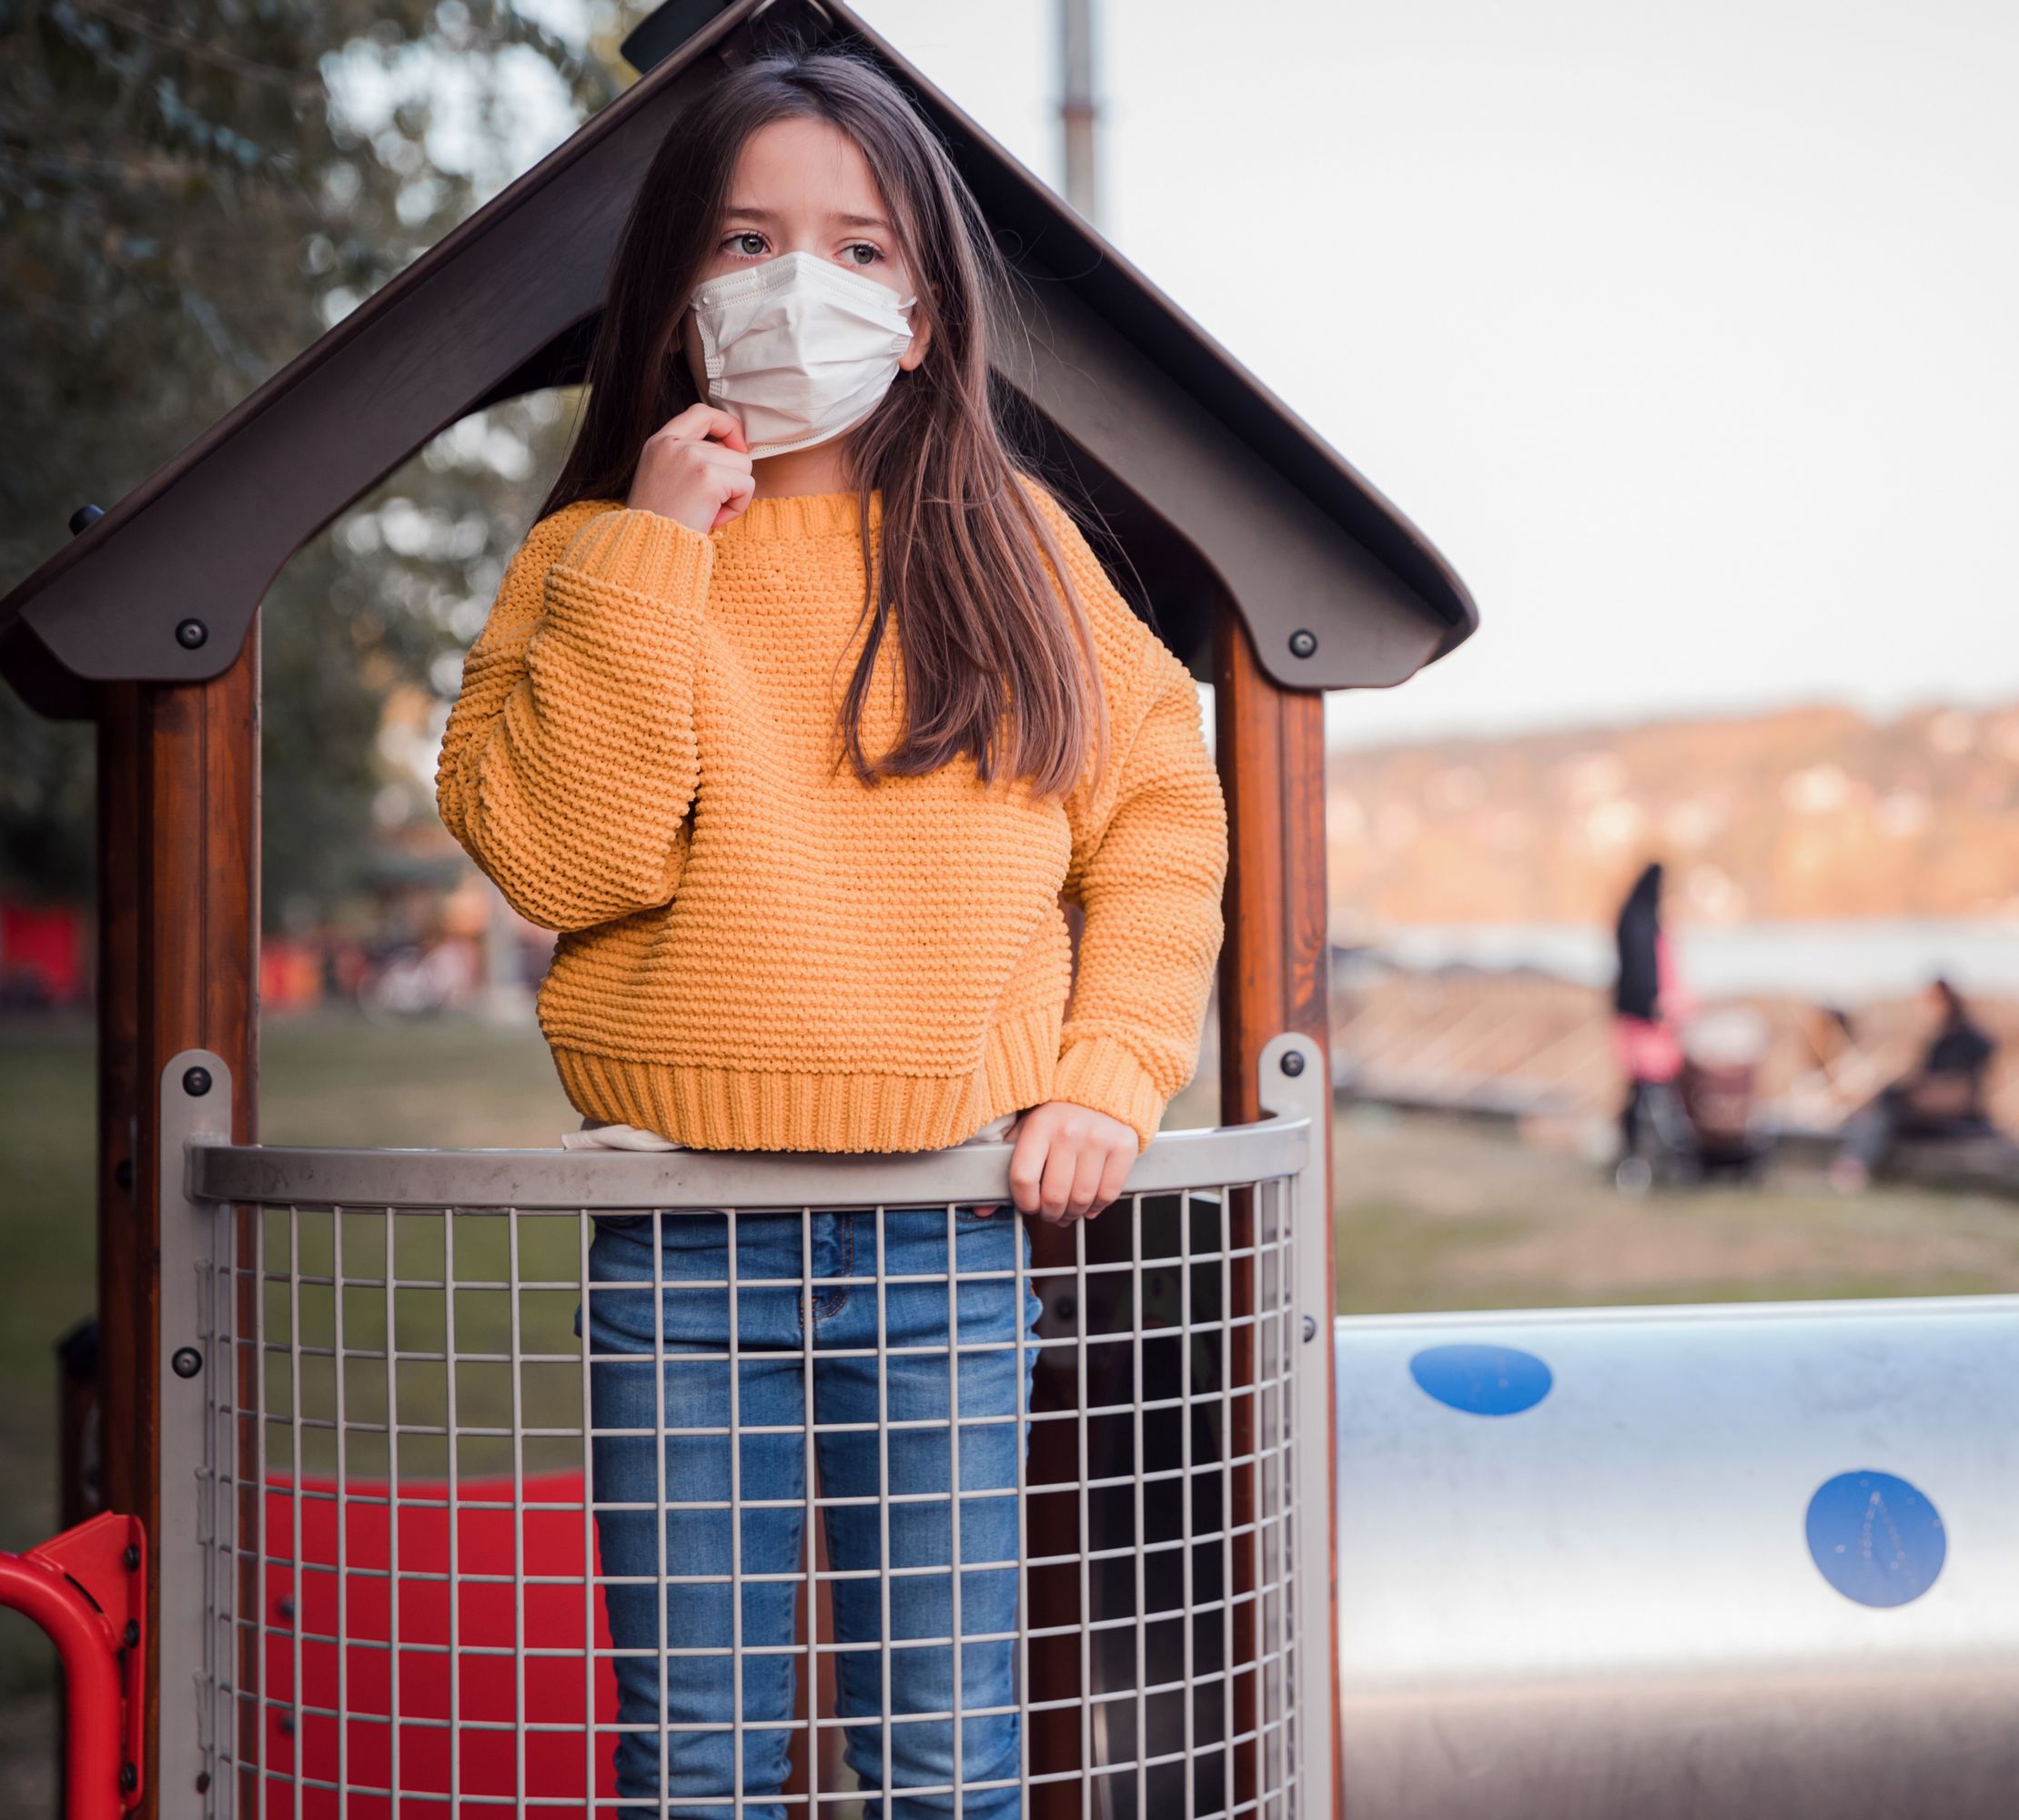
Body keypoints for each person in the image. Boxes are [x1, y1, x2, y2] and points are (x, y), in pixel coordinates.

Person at [434, 50, 1227, 1818]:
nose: (804, 282)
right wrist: (653, 552)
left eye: (859, 249)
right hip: (679, 1248)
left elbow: (1161, 811)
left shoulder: (1014, 546)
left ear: (929, 314)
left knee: (946, 1757)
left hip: (948, 1234)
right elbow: (567, 861)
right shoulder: (587, 559)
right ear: (678, 294)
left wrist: (1111, 1068)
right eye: (746, 239)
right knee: (692, 1757)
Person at [1829, 977, 1996, 1190]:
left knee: (1889, 1103)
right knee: (1884, 1104)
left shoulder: (1968, 1040)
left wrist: (1910, 1095)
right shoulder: (1940, 1040)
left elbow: (1958, 1095)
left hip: (1960, 1123)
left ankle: (1853, 1166)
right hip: (1930, 1114)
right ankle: (1854, 1163)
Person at [1611, 862, 1691, 1185]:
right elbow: (1644, 973)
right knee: (1650, 1091)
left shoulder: (1632, 916)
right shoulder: (1642, 921)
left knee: (1642, 1093)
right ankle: (1644, 1155)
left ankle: (1638, 1153)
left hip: (1637, 1019)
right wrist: (1654, 1006)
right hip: (1646, 1023)